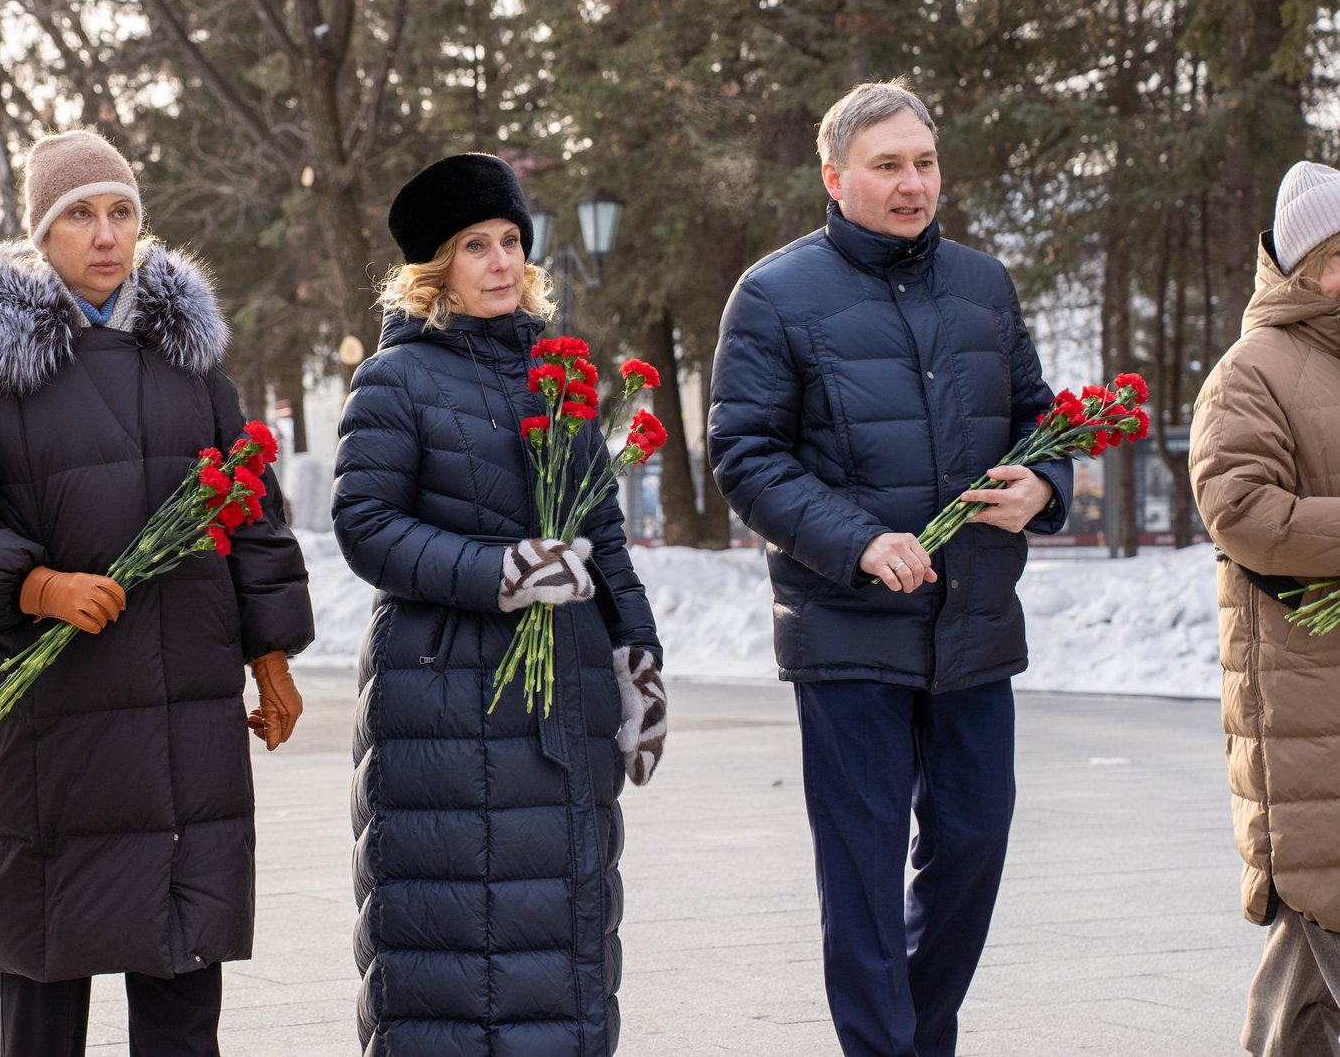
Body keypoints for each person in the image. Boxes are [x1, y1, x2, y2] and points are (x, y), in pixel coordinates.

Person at [0, 129, 315, 1057]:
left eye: (122, 212)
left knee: (181, 982)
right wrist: (34, 585)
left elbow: (252, 513)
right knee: (46, 997)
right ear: (40, 235)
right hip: (51, 732)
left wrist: (270, 658)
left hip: (186, 723)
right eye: (79, 214)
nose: (107, 234)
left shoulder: (192, 359)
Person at [707, 80, 1073, 1057]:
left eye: (922, 162)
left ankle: (917, 1036)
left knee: (973, 846)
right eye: (887, 165)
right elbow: (744, 455)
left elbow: (1037, 415)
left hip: (973, 624)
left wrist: (1042, 480)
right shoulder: (774, 293)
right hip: (845, 626)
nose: (912, 183)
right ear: (834, 177)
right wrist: (856, 540)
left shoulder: (982, 284)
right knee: (863, 872)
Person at [331, 152, 666, 1055]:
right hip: (444, 704)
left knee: (566, 952)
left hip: (565, 706)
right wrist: (503, 571)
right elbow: (365, 526)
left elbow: (601, 533)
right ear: (435, 267)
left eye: (512, 241)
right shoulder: (396, 380)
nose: (501, 261)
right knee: (453, 955)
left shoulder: (557, 381)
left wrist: (638, 659)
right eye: (476, 245)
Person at [1189, 160, 1340, 1056]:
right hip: (1303, 691)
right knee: (1321, 892)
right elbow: (1238, 508)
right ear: (1315, 263)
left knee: (1312, 932)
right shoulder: (1251, 370)